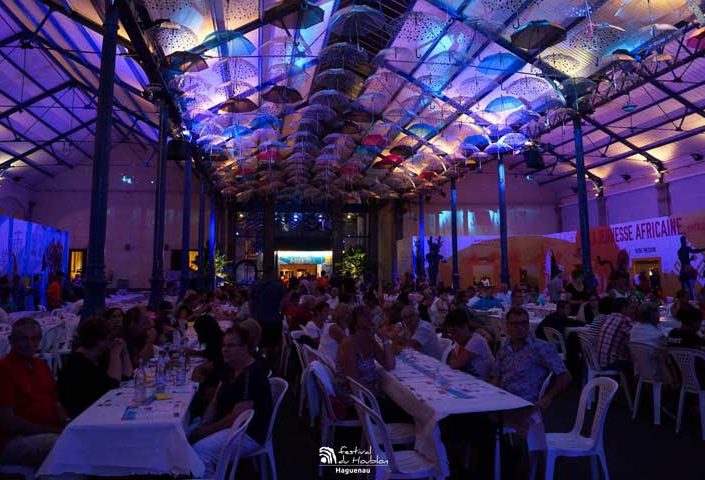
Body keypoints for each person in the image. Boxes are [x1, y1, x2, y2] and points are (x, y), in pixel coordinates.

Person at [491, 307, 571, 477]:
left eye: (524, 323)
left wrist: (547, 398)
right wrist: (492, 395)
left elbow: (565, 377)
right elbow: (496, 376)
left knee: (489, 426)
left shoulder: (540, 348)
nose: (520, 327)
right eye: (515, 324)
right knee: (472, 419)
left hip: (526, 404)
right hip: (503, 402)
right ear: (507, 326)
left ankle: (513, 467)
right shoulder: (504, 349)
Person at [190, 326, 273, 478]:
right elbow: (215, 401)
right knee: (184, 434)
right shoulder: (231, 367)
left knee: (200, 450)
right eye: (224, 345)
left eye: (230, 346)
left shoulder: (252, 374)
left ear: (245, 348)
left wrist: (207, 431)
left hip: (248, 433)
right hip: (228, 425)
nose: (224, 350)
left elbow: (237, 417)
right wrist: (204, 424)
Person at [0, 317, 68, 466]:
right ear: (11, 340)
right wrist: (52, 430)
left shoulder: (41, 365)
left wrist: (67, 423)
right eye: (23, 339)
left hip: (48, 431)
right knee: (65, 445)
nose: (29, 344)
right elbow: (8, 422)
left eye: (34, 339)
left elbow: (54, 401)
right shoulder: (4, 369)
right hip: (14, 441)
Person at [57, 317, 131, 417]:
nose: (111, 342)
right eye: (109, 338)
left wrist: (125, 353)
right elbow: (111, 387)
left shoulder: (99, 357)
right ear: (99, 341)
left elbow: (127, 376)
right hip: (85, 415)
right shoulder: (77, 364)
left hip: (100, 409)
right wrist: (115, 354)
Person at [334, 305, 395, 407]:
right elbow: (352, 379)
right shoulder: (349, 343)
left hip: (369, 393)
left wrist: (384, 338)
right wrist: (376, 395)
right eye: (363, 315)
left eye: (369, 314)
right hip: (355, 398)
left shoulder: (371, 341)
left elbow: (389, 365)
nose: (369, 316)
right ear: (354, 321)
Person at [445, 309, 494, 380]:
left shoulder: (477, 341)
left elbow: (455, 364)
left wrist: (454, 359)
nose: (453, 336)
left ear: (465, 326)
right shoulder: (459, 341)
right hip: (466, 380)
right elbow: (451, 362)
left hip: (481, 383)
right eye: (450, 333)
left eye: (454, 331)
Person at [249, 265, 286, 360]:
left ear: (263, 273)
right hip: (274, 320)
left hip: (259, 319)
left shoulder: (256, 285)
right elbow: (282, 304)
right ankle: (271, 365)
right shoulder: (279, 286)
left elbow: (251, 302)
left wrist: (252, 315)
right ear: (273, 273)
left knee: (260, 343)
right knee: (273, 345)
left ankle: (260, 363)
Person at [596, 297, 636, 369]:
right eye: (630, 308)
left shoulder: (609, 317)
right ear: (624, 308)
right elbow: (637, 337)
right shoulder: (624, 320)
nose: (632, 311)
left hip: (600, 361)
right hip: (611, 363)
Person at [678, 235, 705, 299]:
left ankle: (685, 299)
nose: (685, 242)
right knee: (690, 287)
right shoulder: (686, 248)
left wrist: (690, 259)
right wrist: (703, 249)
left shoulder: (679, 251)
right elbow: (695, 251)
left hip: (683, 269)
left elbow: (683, 261)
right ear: (683, 242)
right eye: (684, 241)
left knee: (684, 287)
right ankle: (691, 299)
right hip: (687, 269)